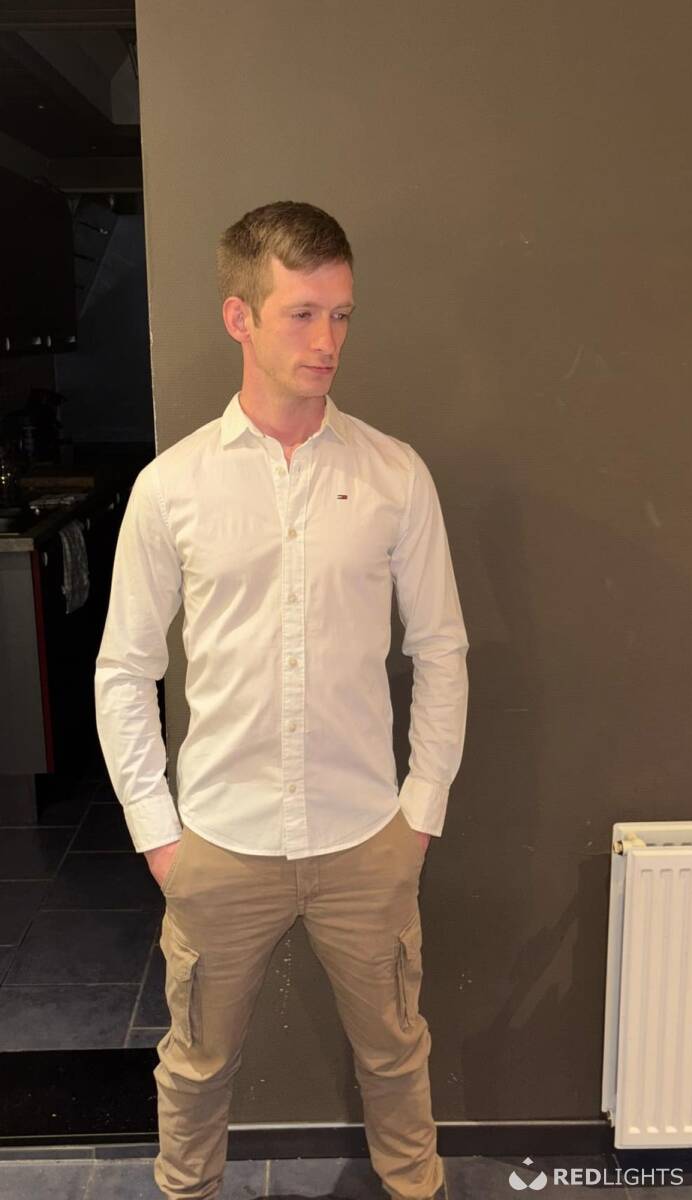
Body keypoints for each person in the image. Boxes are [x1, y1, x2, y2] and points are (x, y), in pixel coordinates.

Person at [94, 200, 469, 1200]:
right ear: (239, 317)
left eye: (341, 315)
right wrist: (157, 834)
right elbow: (124, 668)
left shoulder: (393, 476)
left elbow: (441, 649)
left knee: (397, 1060)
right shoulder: (172, 489)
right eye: (302, 314)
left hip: (365, 841)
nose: (327, 340)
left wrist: (419, 812)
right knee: (195, 1069)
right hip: (219, 843)